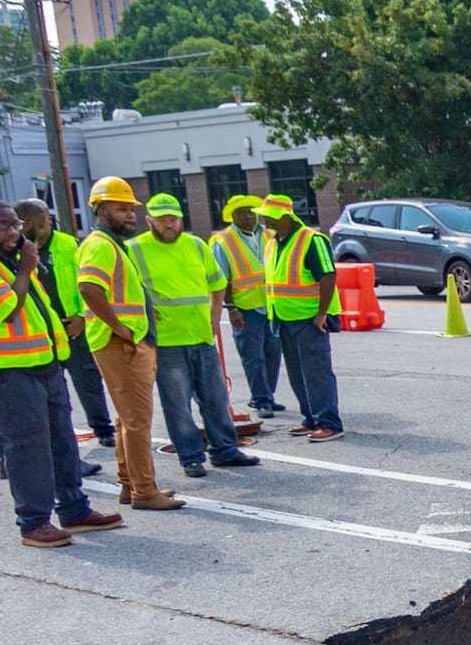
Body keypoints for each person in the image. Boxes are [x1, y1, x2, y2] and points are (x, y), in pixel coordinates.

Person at [0, 199, 124, 547]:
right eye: (2, 225)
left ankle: (74, 509)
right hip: (7, 370)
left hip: (44, 363)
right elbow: (6, 309)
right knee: (27, 448)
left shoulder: (11, 258)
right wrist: (26, 268)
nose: (13, 232)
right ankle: (33, 522)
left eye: (15, 224)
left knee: (62, 441)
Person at [128, 193, 261, 478]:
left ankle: (225, 451)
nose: (169, 225)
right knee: (178, 404)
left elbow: (217, 283)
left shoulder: (196, 245)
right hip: (166, 342)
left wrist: (214, 319)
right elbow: (126, 291)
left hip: (201, 337)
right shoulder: (135, 249)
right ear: (149, 220)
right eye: (162, 220)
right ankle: (190, 457)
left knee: (214, 398)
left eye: (173, 219)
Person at [77, 176, 184, 510]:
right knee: (138, 421)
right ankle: (144, 490)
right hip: (120, 344)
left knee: (127, 419)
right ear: (100, 209)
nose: (130, 215)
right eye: (122, 209)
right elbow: (89, 288)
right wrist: (121, 329)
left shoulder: (111, 244)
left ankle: (130, 484)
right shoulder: (100, 245)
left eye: (130, 209)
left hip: (125, 340)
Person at [16, 197, 116, 459]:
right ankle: (59, 436)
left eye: (48, 217)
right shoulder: (15, 249)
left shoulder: (67, 244)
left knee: (87, 378)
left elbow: (83, 283)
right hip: (40, 329)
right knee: (51, 389)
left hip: (71, 324)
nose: (48, 221)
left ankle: (102, 428)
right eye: (42, 219)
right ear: (27, 223)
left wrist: (81, 316)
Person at [257, 194, 344, 442]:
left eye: (268, 216)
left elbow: (328, 276)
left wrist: (321, 314)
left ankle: (329, 423)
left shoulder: (311, 239)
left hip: (309, 318)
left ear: (284, 216)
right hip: (284, 317)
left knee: (317, 372)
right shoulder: (273, 242)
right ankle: (311, 418)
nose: (264, 220)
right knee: (297, 372)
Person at [210, 193, 284, 419]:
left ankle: (266, 396)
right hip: (245, 308)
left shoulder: (269, 235)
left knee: (273, 353)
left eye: (251, 212)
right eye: (242, 213)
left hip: (271, 305)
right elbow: (221, 281)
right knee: (254, 357)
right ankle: (261, 400)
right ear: (232, 216)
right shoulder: (223, 241)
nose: (248, 217)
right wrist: (231, 308)